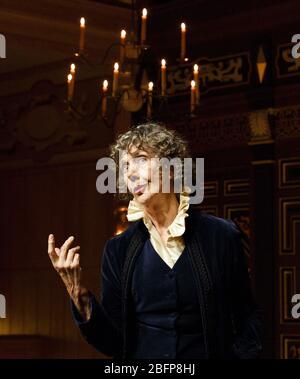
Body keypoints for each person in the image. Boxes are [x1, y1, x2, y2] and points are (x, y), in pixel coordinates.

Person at [48, 122, 263, 359]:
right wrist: (77, 292)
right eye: (125, 166)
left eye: (140, 159)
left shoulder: (221, 235)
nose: (130, 172)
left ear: (171, 168)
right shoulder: (118, 250)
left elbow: (247, 318)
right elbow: (113, 342)